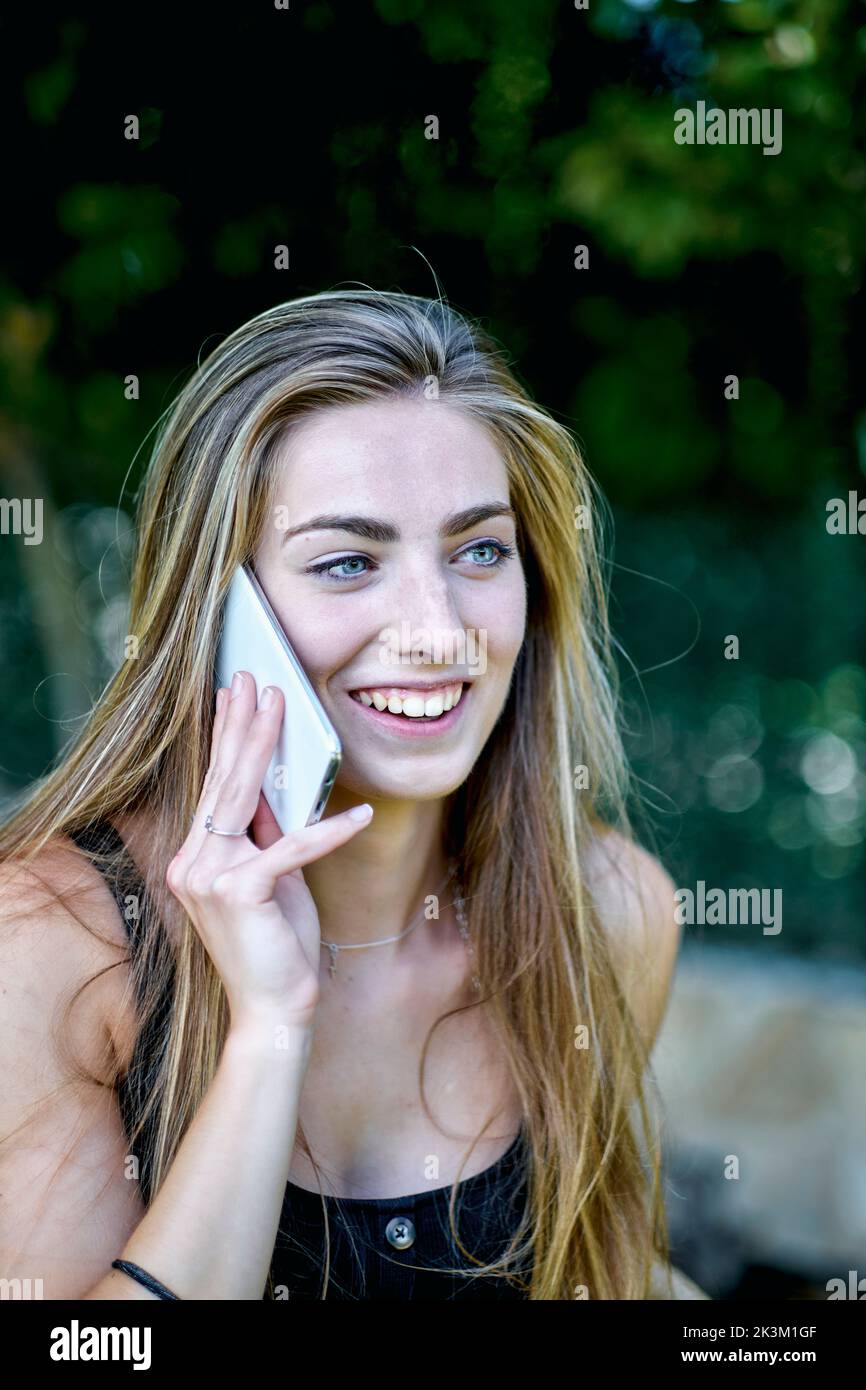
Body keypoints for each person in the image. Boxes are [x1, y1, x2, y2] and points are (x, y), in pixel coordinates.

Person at [0, 288, 692, 1299]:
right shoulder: (54, 943)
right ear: (221, 611)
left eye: (479, 550)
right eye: (345, 562)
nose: (435, 628)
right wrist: (268, 1033)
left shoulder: (608, 911)